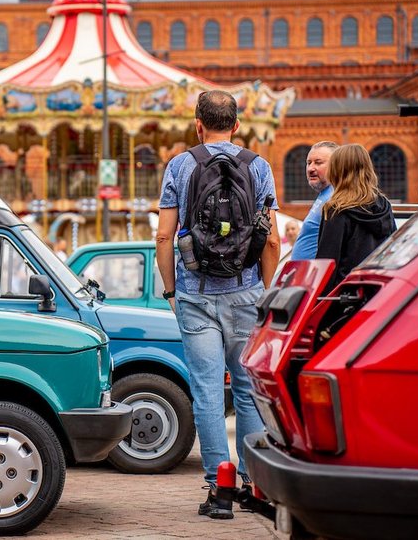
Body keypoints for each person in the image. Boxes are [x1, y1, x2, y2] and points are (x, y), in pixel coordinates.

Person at [155, 90, 280, 519]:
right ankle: (252, 481)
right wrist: (265, 294)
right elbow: (272, 238)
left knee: (207, 393)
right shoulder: (258, 166)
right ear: (237, 125)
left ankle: (219, 489)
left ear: (198, 123)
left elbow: (164, 237)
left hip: (196, 291)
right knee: (247, 391)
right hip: (246, 290)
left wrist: (172, 291)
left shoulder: (180, 165)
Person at [316, 143, 395, 292]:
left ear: (337, 171)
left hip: (344, 297)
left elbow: (326, 263)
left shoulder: (336, 209)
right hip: (378, 292)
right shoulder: (384, 206)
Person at [291, 141, 338, 260]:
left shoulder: (336, 197)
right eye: (308, 163)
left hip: (315, 275)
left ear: (336, 165)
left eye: (318, 163)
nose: (311, 168)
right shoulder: (325, 194)